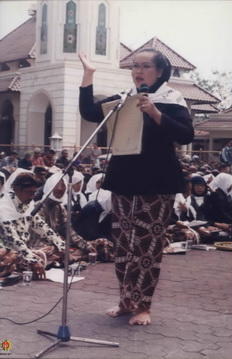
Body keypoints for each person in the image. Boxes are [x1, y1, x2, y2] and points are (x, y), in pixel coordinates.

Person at [78, 49, 194, 325]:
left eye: (145, 66)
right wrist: (88, 74)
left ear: (161, 71)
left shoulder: (172, 99)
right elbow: (89, 112)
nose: (138, 71)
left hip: (157, 180)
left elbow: (185, 134)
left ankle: (144, 306)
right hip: (124, 178)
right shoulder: (124, 98)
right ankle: (126, 301)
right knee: (122, 243)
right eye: (134, 66)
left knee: (147, 245)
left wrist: (154, 112)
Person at [0, 173, 65, 279]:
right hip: (8, 251)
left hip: (23, 251)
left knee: (52, 249)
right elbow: (13, 240)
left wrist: (61, 245)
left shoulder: (28, 204)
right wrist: (32, 260)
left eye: (34, 193)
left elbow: (42, 227)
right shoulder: (3, 206)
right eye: (29, 192)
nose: (32, 196)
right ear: (16, 189)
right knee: (13, 257)